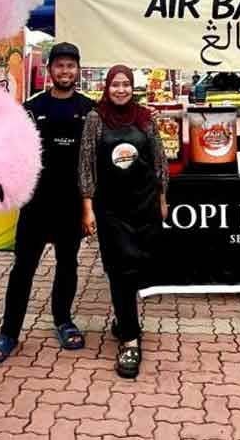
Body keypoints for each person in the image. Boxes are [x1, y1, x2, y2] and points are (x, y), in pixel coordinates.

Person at [0, 42, 96, 365]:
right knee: (23, 269)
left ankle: (63, 320)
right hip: (35, 204)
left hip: (70, 204)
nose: (65, 71)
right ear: (50, 71)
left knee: (68, 265)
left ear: (78, 70)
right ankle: (9, 332)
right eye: (59, 65)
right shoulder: (31, 109)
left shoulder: (89, 110)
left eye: (70, 66)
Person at [79, 65, 168, 379]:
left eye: (126, 84)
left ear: (133, 88)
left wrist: (162, 199)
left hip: (143, 204)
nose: (120, 90)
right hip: (111, 208)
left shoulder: (145, 117)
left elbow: (159, 160)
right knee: (120, 268)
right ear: (107, 88)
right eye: (115, 85)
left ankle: (123, 319)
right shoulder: (96, 118)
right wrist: (87, 207)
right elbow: (86, 164)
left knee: (136, 267)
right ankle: (130, 340)